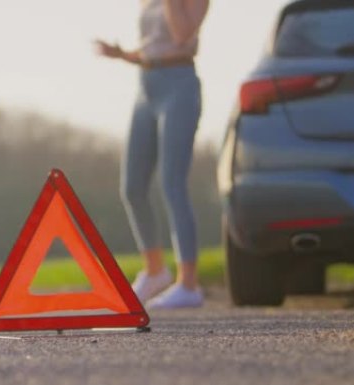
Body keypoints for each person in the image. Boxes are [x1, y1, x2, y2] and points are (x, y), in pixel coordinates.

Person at [95, 0, 209, 309]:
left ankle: (189, 285)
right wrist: (120, 54)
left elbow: (182, 34)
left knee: (172, 183)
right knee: (132, 187)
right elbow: (152, 47)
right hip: (146, 88)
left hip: (180, 86)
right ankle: (155, 272)